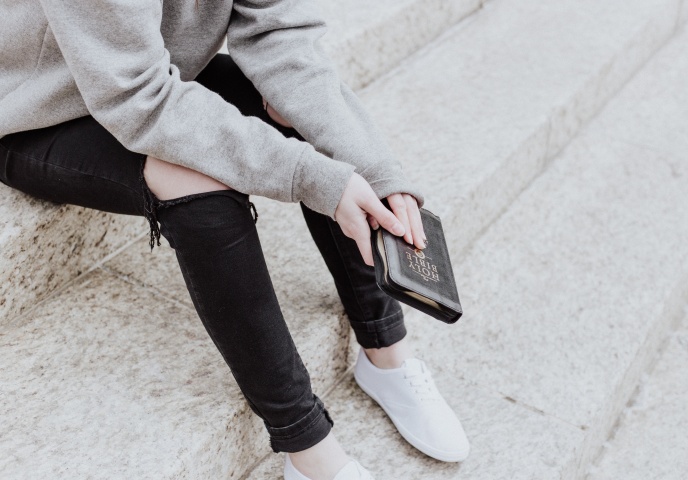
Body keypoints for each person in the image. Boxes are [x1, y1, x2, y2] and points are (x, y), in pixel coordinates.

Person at [0, 0, 469, 478]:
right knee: (197, 184)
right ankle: (306, 444)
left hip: (154, 75)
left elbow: (280, 35)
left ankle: (387, 355)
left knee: (304, 113)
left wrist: (376, 172)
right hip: (35, 104)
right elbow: (138, 99)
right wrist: (312, 178)